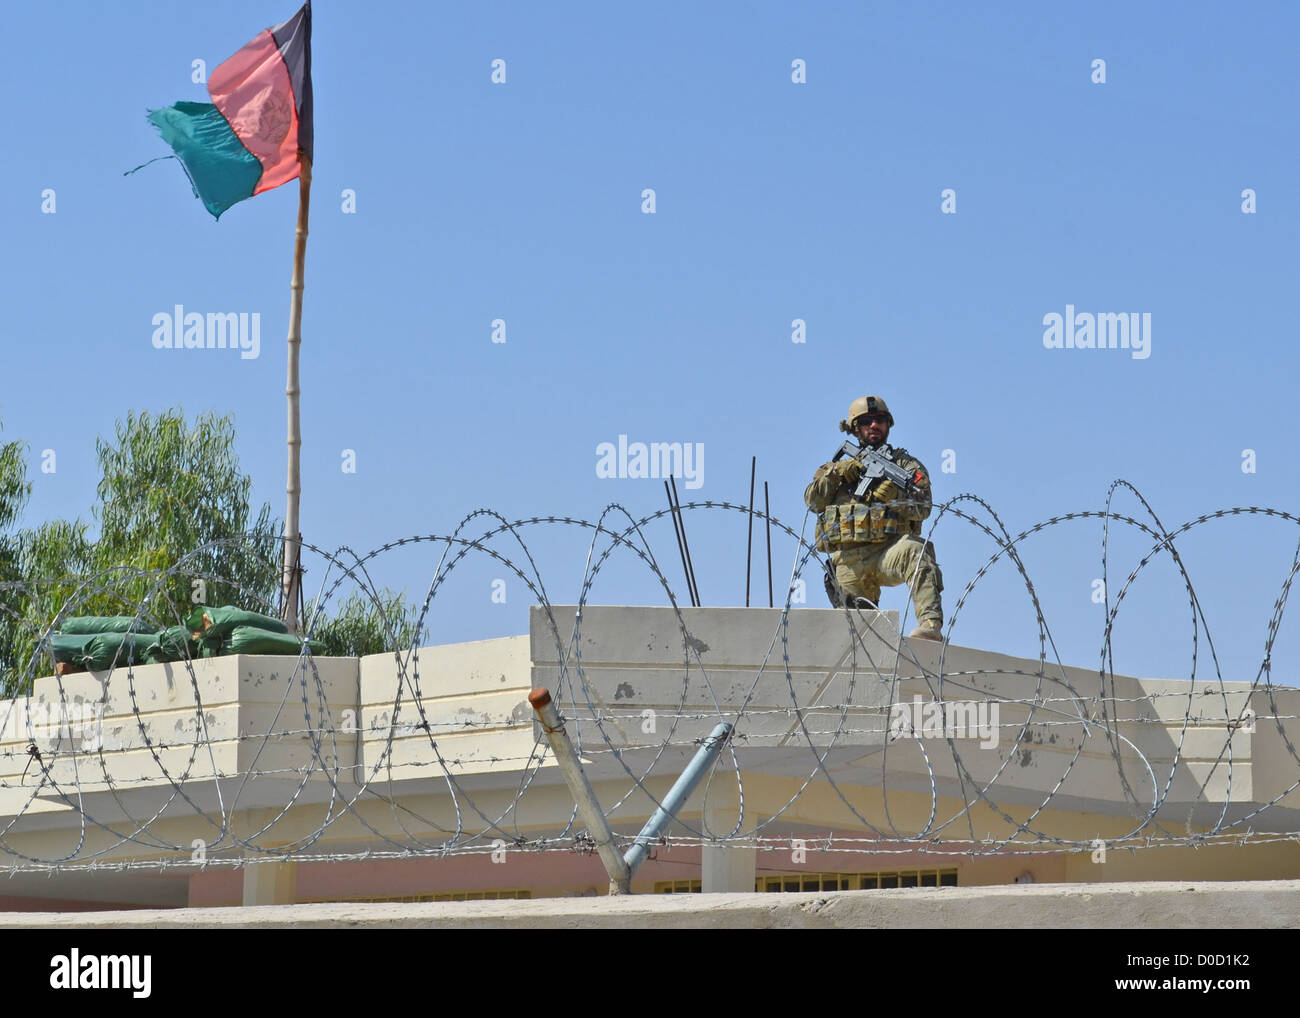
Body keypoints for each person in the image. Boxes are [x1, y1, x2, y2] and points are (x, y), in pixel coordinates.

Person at [803, 395, 944, 641]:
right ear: (855, 428)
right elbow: (812, 501)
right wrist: (838, 473)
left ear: (888, 425)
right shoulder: (839, 468)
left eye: (880, 420)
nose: (874, 426)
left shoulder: (906, 466)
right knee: (857, 639)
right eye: (866, 421)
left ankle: (930, 625)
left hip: (887, 553)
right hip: (849, 561)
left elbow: (924, 507)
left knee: (917, 550)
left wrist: (896, 496)